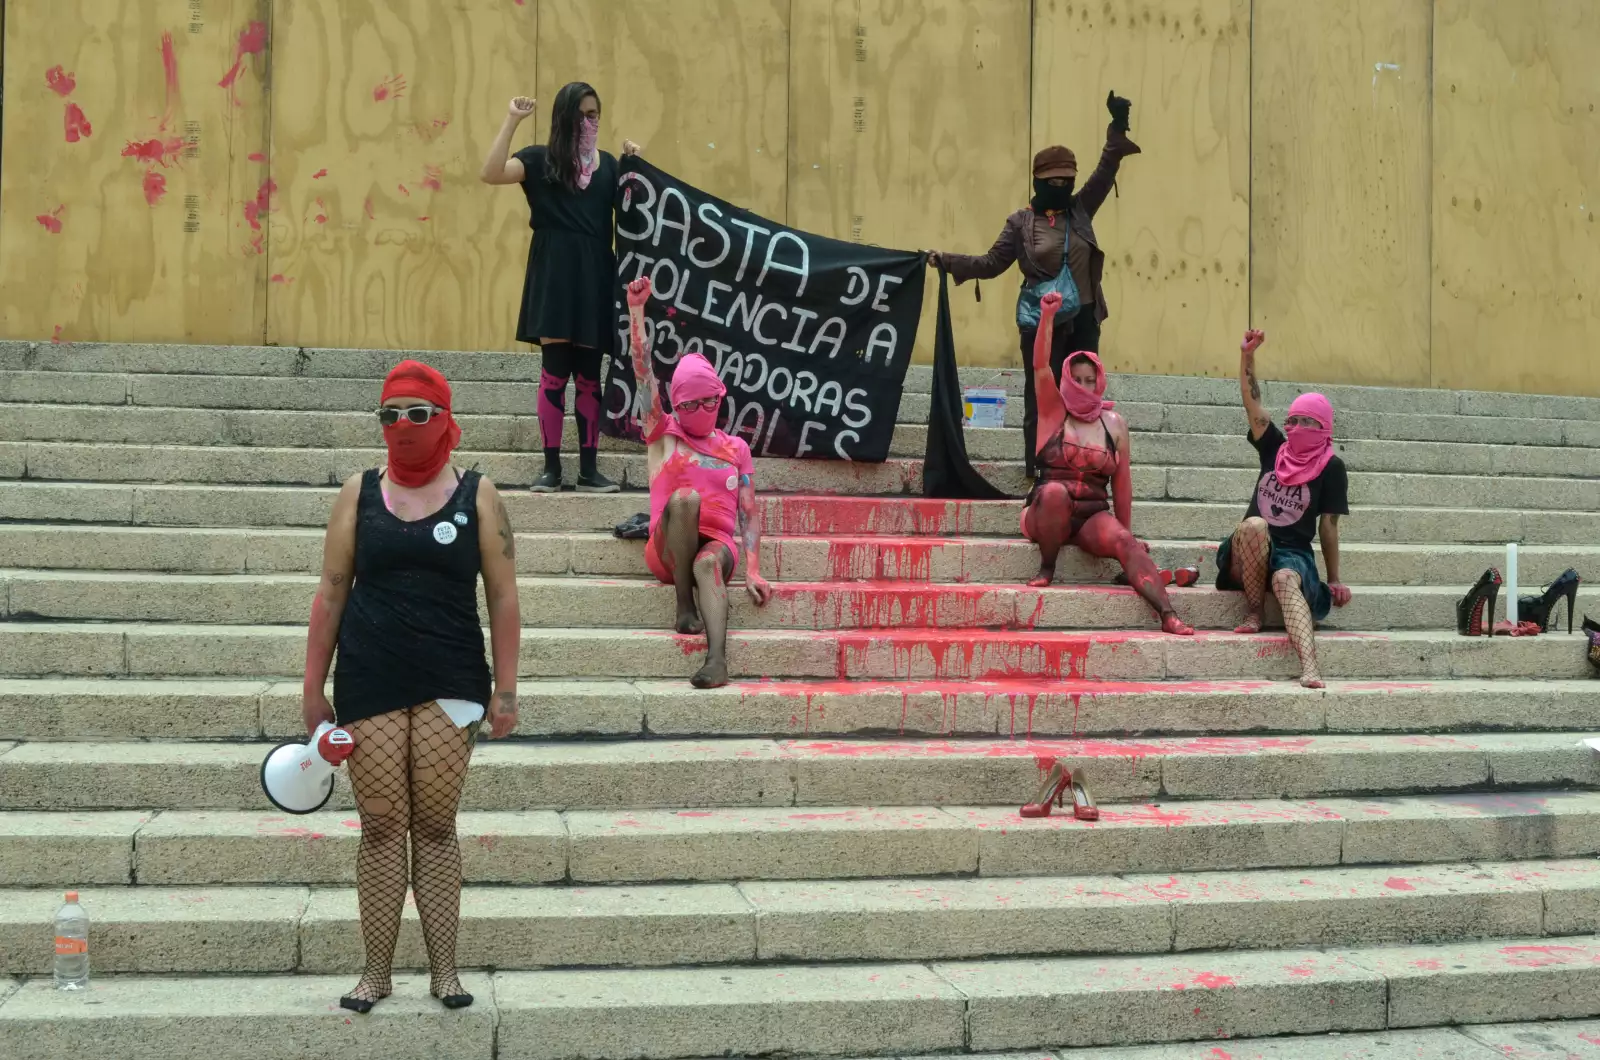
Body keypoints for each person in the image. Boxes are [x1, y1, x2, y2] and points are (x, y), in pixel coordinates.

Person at [301, 360, 521, 1013]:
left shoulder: (478, 494)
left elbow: (504, 596)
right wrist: (312, 688)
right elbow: (331, 591)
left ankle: (444, 972)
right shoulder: (357, 492)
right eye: (389, 414)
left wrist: (506, 689)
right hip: (370, 672)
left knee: (433, 824)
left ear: (445, 419)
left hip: (451, 677)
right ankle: (375, 973)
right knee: (379, 825)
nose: (402, 425)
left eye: (416, 413)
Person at [931, 91, 1140, 476]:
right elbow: (992, 263)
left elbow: (1107, 165)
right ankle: (1039, 466)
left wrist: (1118, 125)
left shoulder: (1080, 208)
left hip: (1086, 316)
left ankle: (1087, 463)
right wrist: (947, 261)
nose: (1060, 185)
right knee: (1042, 394)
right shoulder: (1020, 222)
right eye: (1052, 180)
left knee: (1088, 393)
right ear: (1037, 180)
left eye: (1066, 179)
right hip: (1044, 321)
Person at [479, 81, 641, 494]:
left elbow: (639, 208)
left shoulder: (607, 166)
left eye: (594, 115)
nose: (589, 123)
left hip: (594, 273)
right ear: (563, 118)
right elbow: (491, 172)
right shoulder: (539, 160)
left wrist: (635, 165)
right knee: (554, 371)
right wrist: (512, 120)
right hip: (553, 271)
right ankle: (550, 468)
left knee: (590, 375)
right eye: (581, 115)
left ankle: (589, 469)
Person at [624, 276, 772, 688]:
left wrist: (754, 570)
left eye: (712, 400)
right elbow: (642, 371)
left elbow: (748, 512)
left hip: (718, 546)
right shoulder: (662, 430)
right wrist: (637, 311)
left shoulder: (736, 446)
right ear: (677, 403)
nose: (704, 408)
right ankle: (683, 604)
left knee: (708, 562)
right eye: (692, 403)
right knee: (686, 500)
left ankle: (717, 661)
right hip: (667, 548)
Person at [1022, 292, 1193, 636]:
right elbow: (1040, 364)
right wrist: (1048, 317)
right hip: (1046, 512)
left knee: (1125, 543)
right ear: (1066, 381)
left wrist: (1125, 532)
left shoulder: (1114, 423)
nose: (1084, 386)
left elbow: (1123, 484)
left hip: (1091, 516)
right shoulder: (1053, 410)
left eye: (1090, 380)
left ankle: (1168, 614)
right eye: (1077, 379)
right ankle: (1047, 566)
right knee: (1054, 493)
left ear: (1099, 380)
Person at [1218, 329, 1352, 687]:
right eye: (1292, 420)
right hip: (1247, 551)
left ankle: (1309, 666)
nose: (1294, 427)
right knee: (1253, 526)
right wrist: (1247, 357)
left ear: (1323, 427)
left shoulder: (1331, 468)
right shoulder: (1275, 447)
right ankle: (1254, 610)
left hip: (1292, 553)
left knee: (1284, 577)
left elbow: (1329, 527)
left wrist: (1334, 578)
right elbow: (1252, 403)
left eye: (1306, 421)